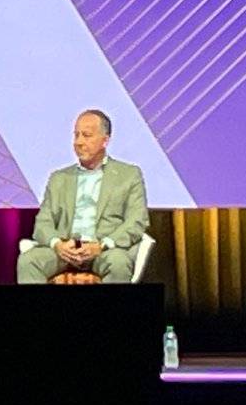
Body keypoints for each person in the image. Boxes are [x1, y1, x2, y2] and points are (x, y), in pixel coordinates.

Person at [16, 109, 150, 284]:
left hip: (103, 249)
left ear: (105, 140)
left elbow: (137, 220)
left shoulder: (129, 175)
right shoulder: (59, 178)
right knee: (28, 261)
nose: (78, 142)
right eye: (76, 135)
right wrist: (57, 244)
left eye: (86, 135)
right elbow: (43, 222)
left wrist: (102, 245)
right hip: (65, 249)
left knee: (118, 263)